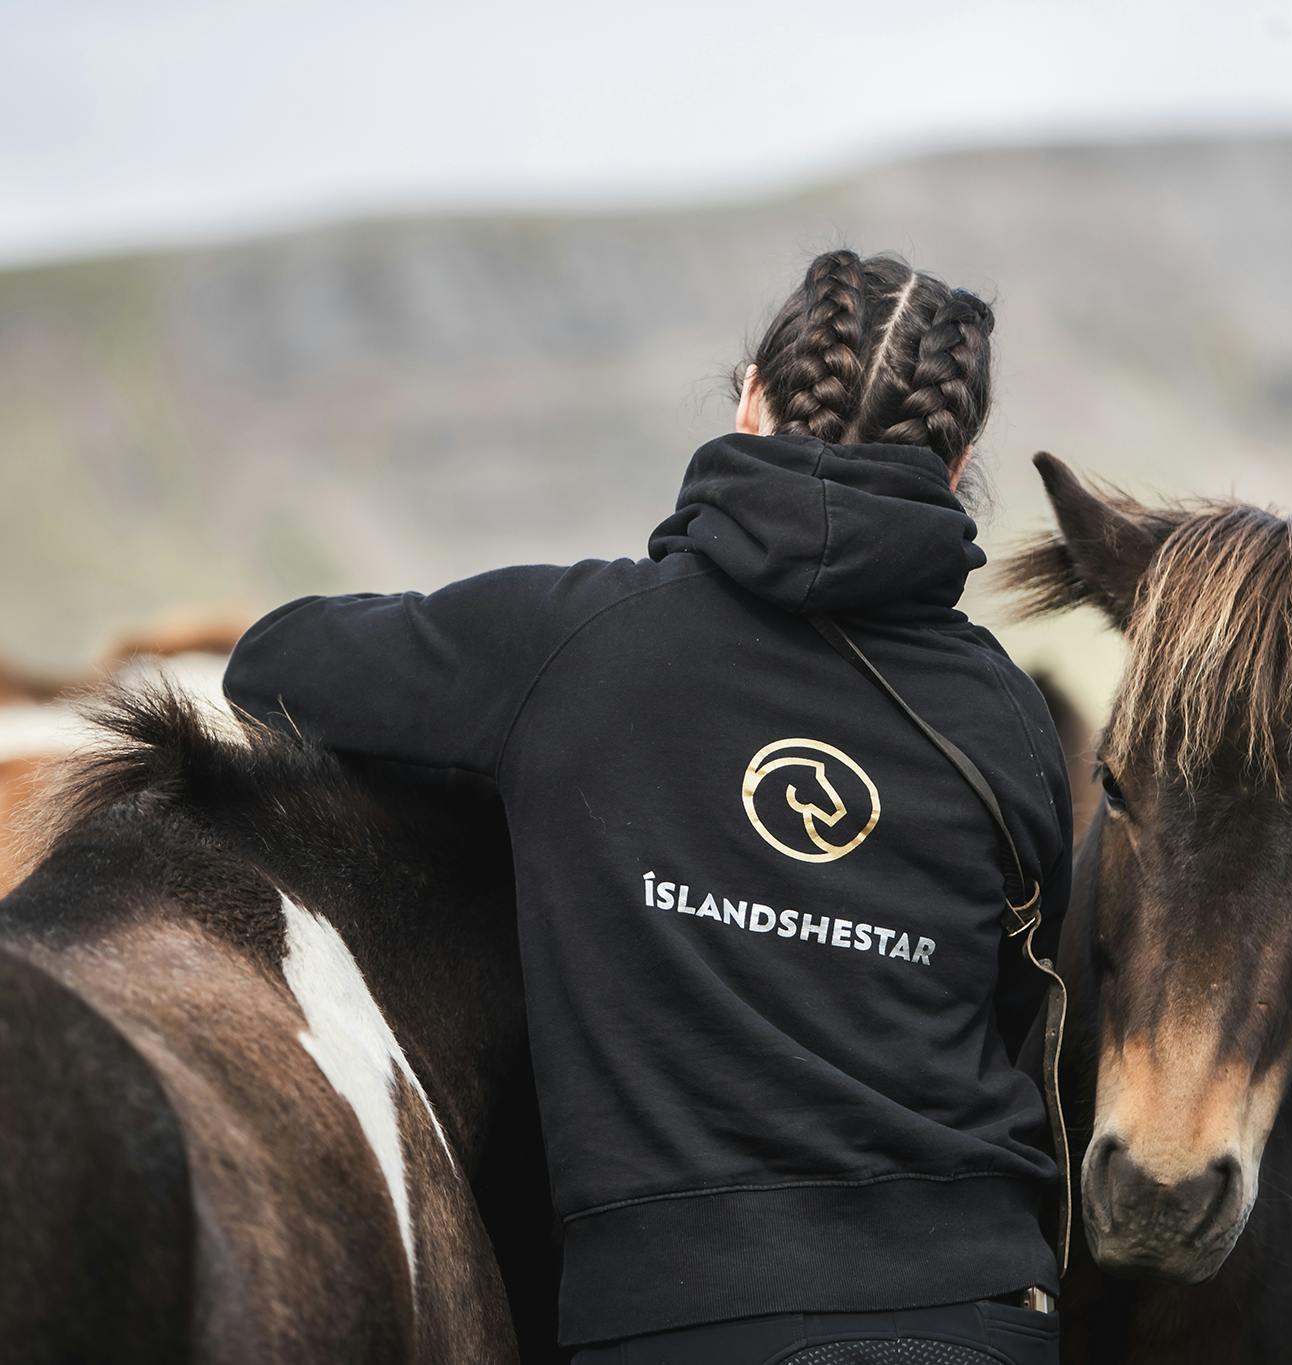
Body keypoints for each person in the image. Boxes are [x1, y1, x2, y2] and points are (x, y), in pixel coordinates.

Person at [224, 249, 1072, 1364]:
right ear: (958, 465)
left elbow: (274, 664)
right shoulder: (1006, 717)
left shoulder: (566, 643)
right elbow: (1018, 999)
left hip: (681, 1316)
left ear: (748, 403)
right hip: (975, 1315)